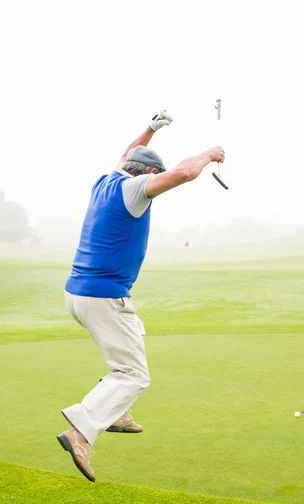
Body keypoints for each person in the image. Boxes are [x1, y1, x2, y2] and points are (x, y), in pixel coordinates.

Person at [57, 109, 225, 482]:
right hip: (103, 295)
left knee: (136, 336)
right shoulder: (135, 189)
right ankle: (82, 431)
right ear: (150, 175)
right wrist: (209, 153)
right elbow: (182, 173)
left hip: (79, 293)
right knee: (134, 374)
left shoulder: (107, 180)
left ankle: (116, 411)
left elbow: (128, 153)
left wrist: (150, 129)